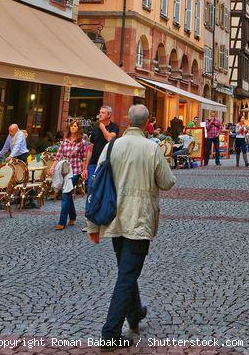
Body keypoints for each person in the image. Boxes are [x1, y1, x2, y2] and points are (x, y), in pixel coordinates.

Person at [88, 104, 174, 343]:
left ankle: (134, 313)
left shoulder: (111, 146)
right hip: (139, 220)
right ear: (147, 124)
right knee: (127, 274)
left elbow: (95, 185)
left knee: (127, 270)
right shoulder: (151, 148)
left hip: (114, 219)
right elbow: (167, 182)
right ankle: (110, 334)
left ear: (127, 122)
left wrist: (93, 225)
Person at [53, 120, 88, 229]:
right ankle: (72, 215)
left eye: (75, 126)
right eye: (72, 126)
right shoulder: (64, 141)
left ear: (78, 128)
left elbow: (84, 157)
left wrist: (84, 170)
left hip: (76, 170)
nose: (73, 127)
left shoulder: (81, 142)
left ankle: (62, 222)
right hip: (65, 169)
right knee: (67, 193)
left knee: (65, 193)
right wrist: (53, 167)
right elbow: (58, 156)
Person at [83, 105, 119, 188]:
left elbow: (110, 138)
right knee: (91, 187)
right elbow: (90, 150)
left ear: (109, 115)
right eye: (100, 112)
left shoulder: (114, 127)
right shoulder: (95, 129)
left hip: (106, 163)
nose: (100, 114)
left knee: (103, 188)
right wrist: (85, 168)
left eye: (103, 113)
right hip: (93, 163)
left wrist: (102, 127)